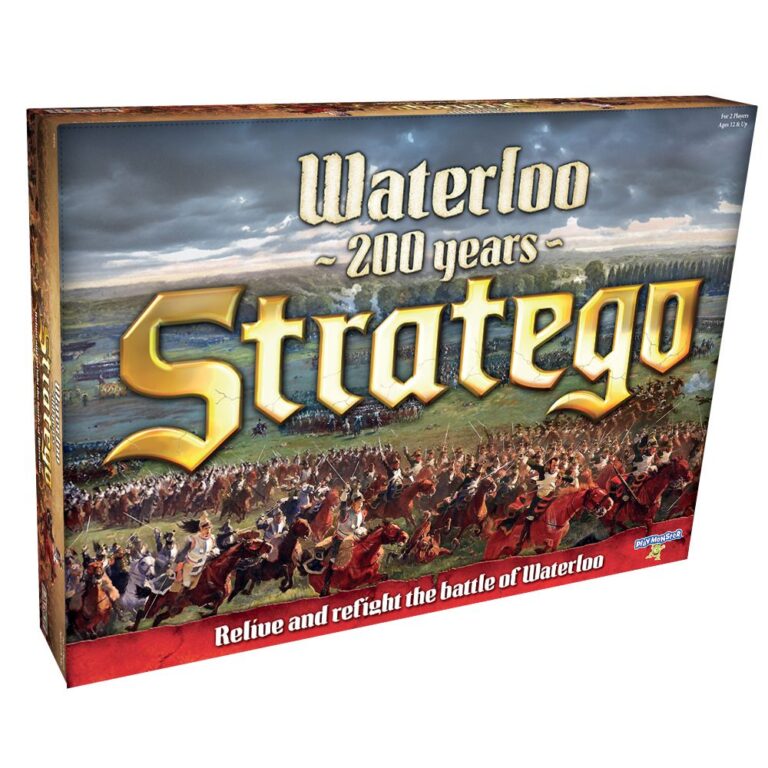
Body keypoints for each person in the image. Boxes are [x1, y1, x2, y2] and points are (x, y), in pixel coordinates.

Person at [320, 488, 367, 596]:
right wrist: (345, 493)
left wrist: (362, 530)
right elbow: (342, 506)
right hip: (340, 539)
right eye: (358, 502)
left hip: (354, 539)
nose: (360, 504)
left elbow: (363, 525)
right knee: (333, 560)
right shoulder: (345, 513)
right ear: (353, 502)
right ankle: (326, 586)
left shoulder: (361, 514)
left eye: (361, 502)